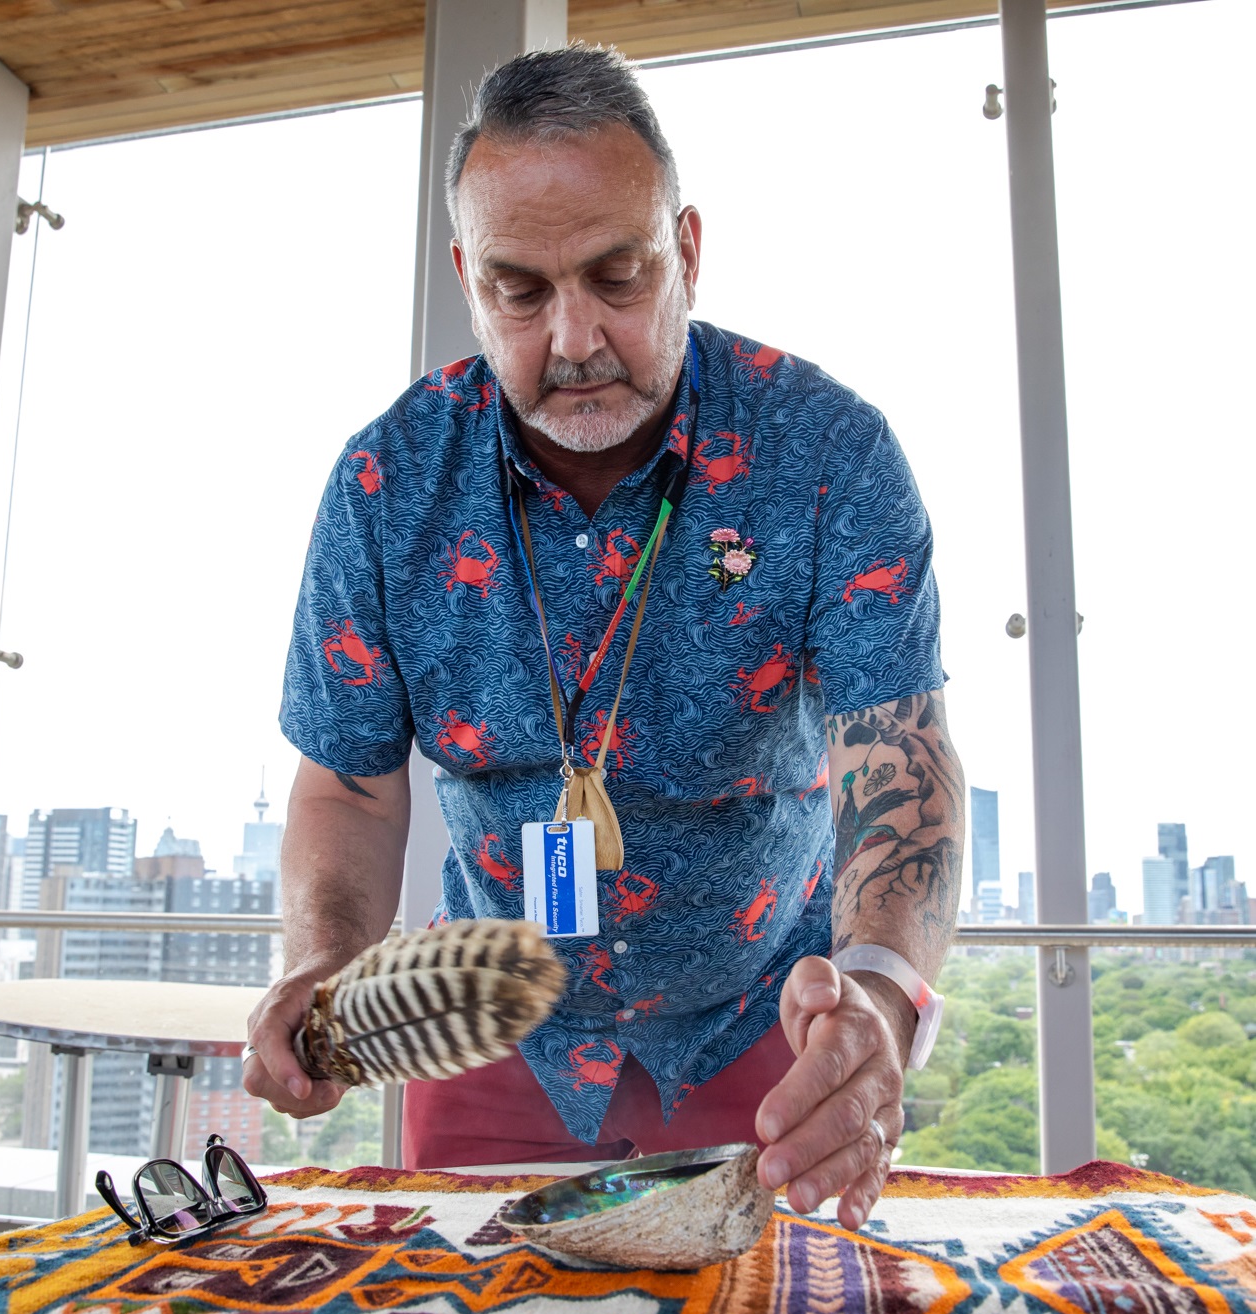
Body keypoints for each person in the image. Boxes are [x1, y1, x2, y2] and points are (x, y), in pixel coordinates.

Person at [245, 43, 964, 1232]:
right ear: (466, 275)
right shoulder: (384, 481)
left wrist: (878, 998)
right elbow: (351, 791)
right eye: (520, 291)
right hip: (479, 1037)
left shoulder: (828, 453)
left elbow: (901, 763)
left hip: (777, 1036)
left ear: (684, 250)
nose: (574, 337)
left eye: (617, 276)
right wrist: (324, 961)